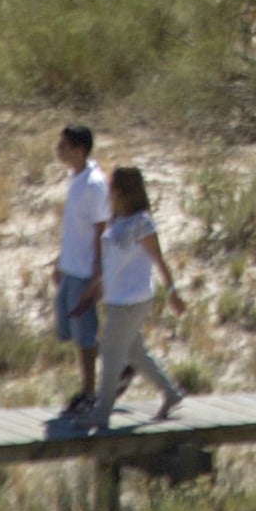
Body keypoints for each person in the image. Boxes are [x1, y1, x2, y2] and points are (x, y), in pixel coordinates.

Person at [91, 165, 184, 427]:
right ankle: (171, 393)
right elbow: (112, 260)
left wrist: (173, 292)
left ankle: (101, 412)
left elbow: (159, 259)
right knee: (135, 351)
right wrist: (99, 285)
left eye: (112, 186)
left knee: (110, 352)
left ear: (123, 190)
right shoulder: (116, 220)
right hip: (116, 298)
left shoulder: (142, 223)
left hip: (133, 299)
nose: (109, 191)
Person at [47, 124, 107, 429]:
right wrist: (60, 262)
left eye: (64, 145)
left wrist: (98, 273)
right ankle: (115, 369)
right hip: (71, 267)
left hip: (85, 271)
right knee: (71, 330)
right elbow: (75, 229)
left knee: (85, 335)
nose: (58, 149)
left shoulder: (95, 184)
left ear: (79, 150)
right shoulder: (77, 179)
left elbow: (101, 230)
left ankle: (90, 392)